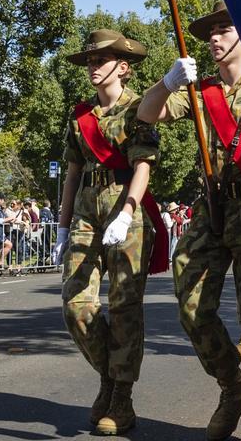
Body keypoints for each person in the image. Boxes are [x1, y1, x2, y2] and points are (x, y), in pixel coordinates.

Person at [137, 1, 241, 441]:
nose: (214, 38)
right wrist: (167, 83)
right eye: (210, 32)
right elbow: (145, 114)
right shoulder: (200, 92)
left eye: (224, 28)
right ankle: (232, 385)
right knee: (190, 305)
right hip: (212, 207)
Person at [51, 29, 163, 436]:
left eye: (101, 61)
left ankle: (121, 398)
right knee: (75, 304)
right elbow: (72, 171)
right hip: (85, 210)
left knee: (124, 307)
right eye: (90, 62)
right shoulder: (81, 116)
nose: (93, 68)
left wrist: (128, 209)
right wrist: (62, 226)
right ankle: (111, 377)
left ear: (123, 67)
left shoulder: (140, 109)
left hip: (125, 210)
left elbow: (143, 165)